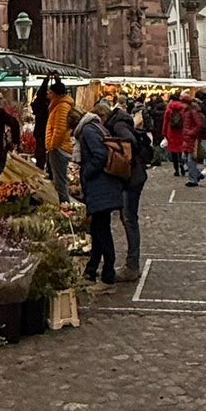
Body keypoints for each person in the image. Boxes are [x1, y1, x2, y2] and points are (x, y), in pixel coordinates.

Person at [75, 99, 125, 289]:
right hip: (105, 186)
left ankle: (108, 275)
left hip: (100, 187)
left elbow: (100, 155)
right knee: (97, 229)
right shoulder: (97, 127)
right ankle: (91, 269)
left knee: (102, 231)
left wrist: (86, 172)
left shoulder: (88, 131)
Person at [107, 101, 149, 281]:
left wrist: (121, 159)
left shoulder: (117, 125)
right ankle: (132, 263)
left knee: (129, 219)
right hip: (135, 176)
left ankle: (132, 266)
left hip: (132, 178)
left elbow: (129, 142)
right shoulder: (121, 121)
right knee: (128, 218)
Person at [164, 89, 206, 185]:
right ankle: (197, 174)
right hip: (187, 138)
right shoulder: (187, 110)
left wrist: (191, 132)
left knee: (190, 160)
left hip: (192, 138)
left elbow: (200, 124)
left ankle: (193, 180)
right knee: (185, 158)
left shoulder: (192, 111)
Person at [45, 78, 76, 201]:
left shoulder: (62, 106)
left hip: (59, 148)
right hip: (59, 147)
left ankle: (65, 207)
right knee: (59, 179)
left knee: (60, 181)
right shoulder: (58, 105)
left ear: (55, 94)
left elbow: (60, 128)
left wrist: (52, 146)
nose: (48, 94)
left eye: (50, 92)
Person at [33, 76, 51, 166]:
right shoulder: (43, 103)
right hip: (44, 131)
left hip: (41, 131)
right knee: (45, 154)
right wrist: (46, 80)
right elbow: (41, 94)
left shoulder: (39, 103)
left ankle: (42, 170)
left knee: (41, 154)